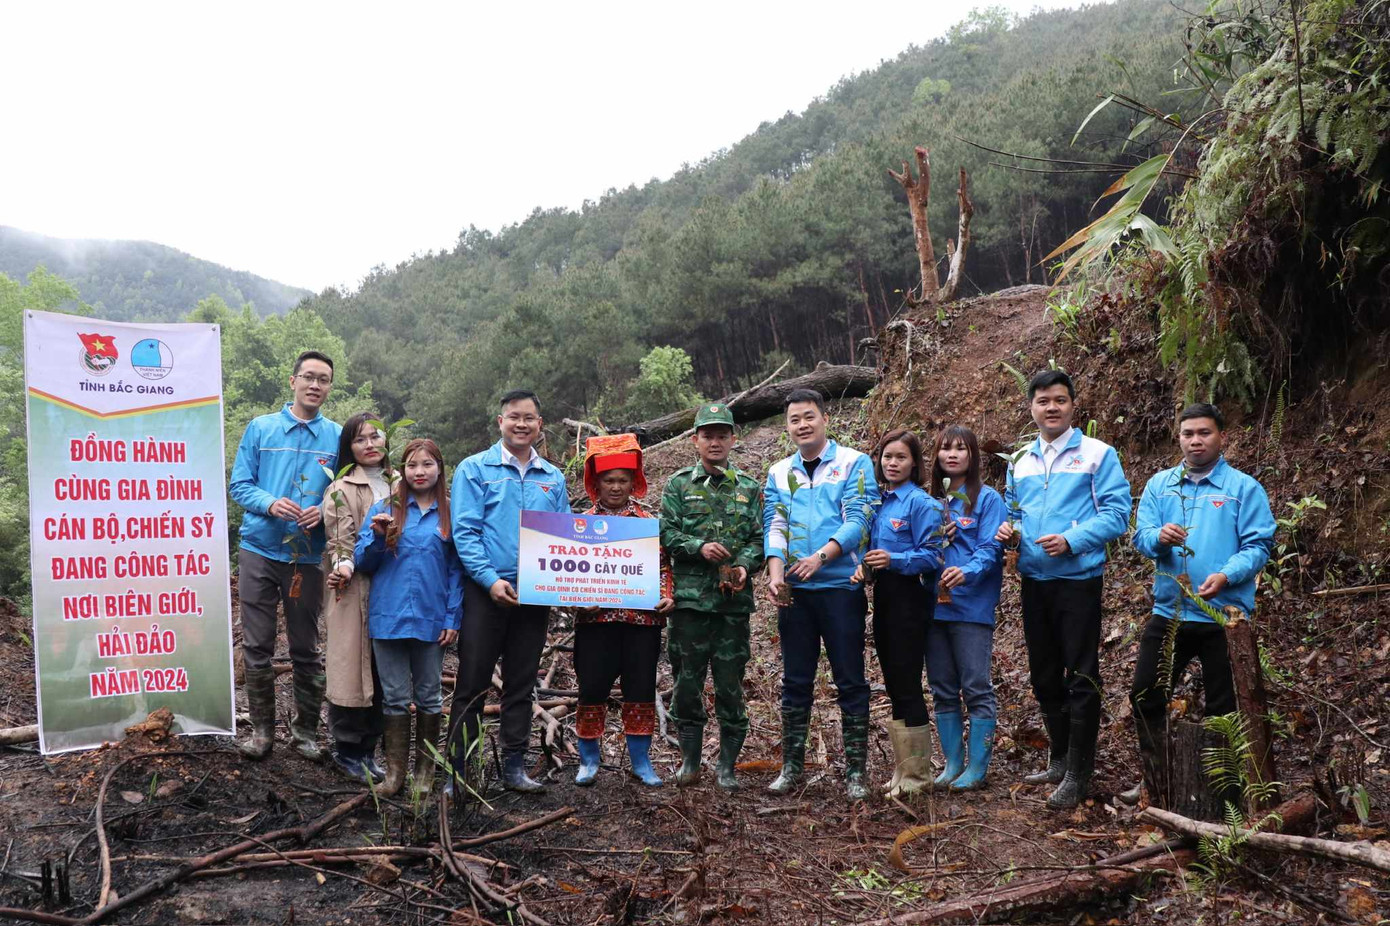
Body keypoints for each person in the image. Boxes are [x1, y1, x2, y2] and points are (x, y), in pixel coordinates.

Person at [995, 370, 1131, 809]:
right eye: (1042, 401)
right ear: (1031, 408)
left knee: (1082, 675)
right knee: (1044, 673)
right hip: (1034, 581)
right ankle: (1058, 758)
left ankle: (1079, 772)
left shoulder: (1098, 454)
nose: (1051, 407)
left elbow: (1117, 515)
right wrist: (1010, 532)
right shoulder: (1020, 460)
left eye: (1059, 400)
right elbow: (1015, 512)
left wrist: (1072, 540)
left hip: (1078, 582)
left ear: (1073, 405)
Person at [1128, 403, 1275, 804]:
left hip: (1224, 617)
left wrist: (1226, 574)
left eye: (1204, 433)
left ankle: (1221, 793)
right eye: (1188, 433)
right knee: (1145, 695)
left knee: (1223, 710)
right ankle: (1157, 781)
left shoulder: (1243, 489)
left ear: (1222, 437)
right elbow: (1140, 536)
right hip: (1170, 613)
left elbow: (1259, 545)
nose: (1196, 441)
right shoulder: (1160, 485)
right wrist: (1159, 537)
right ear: (1179, 438)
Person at [449, 390, 570, 793]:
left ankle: (514, 768)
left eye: (529, 418)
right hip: (486, 593)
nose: (522, 424)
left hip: (534, 593)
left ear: (540, 424)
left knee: (521, 683)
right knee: (471, 683)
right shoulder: (474, 469)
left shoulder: (553, 478)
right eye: (514, 417)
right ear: (500, 422)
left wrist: (568, 586)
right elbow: (465, 533)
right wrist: (489, 580)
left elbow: (564, 537)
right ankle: (459, 772)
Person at [764, 388, 880, 800]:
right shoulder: (779, 472)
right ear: (787, 426)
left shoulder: (853, 462)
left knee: (850, 679)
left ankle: (856, 772)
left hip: (840, 588)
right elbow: (775, 524)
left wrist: (821, 557)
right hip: (796, 593)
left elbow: (860, 519)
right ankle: (791, 767)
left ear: (825, 419)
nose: (803, 425)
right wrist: (776, 575)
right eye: (794, 420)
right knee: (796, 680)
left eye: (809, 416)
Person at [229, 350, 342, 761]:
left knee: (306, 646)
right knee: (257, 643)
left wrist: (325, 510)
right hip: (259, 549)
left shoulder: (337, 438)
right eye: (309, 376)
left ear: (329, 387)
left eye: (323, 379)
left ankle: (305, 734)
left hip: (307, 557)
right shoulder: (261, 428)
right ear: (293, 381)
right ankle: (262, 733)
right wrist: (270, 503)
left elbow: (347, 492)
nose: (315, 385)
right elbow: (239, 485)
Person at [661, 403, 764, 790]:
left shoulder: (748, 488)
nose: (715, 442)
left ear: (734, 439)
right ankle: (690, 762)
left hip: (731, 607)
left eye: (722, 435)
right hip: (689, 604)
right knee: (687, 683)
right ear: (696, 440)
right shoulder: (678, 485)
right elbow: (666, 534)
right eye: (708, 435)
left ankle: (726, 766)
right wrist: (698, 547)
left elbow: (759, 540)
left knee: (730, 685)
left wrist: (745, 566)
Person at [354, 438, 462, 797]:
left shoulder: (451, 512)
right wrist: (377, 538)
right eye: (412, 465)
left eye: (427, 464)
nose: (419, 472)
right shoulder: (385, 508)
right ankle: (395, 774)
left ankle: (425, 773)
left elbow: (456, 570)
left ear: (440, 469)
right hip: (389, 616)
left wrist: (452, 617)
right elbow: (363, 563)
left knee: (430, 696)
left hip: (432, 617)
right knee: (395, 697)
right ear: (402, 470)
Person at [572, 435, 675, 788]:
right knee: (591, 689)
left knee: (641, 690)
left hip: (641, 623)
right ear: (596, 483)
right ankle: (588, 760)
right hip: (595, 622)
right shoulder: (579, 525)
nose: (615, 487)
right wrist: (576, 600)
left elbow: (663, 568)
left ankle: (641, 761)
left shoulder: (648, 522)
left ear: (634, 483)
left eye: (622, 480)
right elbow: (567, 573)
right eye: (608, 480)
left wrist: (666, 596)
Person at [851, 429, 943, 797]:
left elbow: (933, 555)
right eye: (887, 456)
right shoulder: (879, 502)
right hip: (885, 598)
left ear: (915, 463)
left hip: (910, 598)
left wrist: (895, 559)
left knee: (907, 684)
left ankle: (918, 776)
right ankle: (903, 770)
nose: (892, 463)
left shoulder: (921, 503)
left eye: (901, 457)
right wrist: (867, 568)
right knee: (893, 684)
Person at [927, 425, 1005, 791]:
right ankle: (952, 763)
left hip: (971, 606)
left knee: (975, 685)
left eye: (961, 448)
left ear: (973, 456)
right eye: (946, 448)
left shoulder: (987, 500)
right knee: (942, 687)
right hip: (932, 608)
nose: (953, 455)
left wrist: (966, 571)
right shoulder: (930, 501)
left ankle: (977, 768)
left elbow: (991, 549)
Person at [322, 412, 390, 782]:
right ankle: (348, 749)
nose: (369, 445)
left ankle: (370, 749)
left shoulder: (401, 481)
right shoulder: (341, 487)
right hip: (354, 588)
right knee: (352, 666)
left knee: (382, 668)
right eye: (360, 439)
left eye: (375, 436)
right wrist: (343, 566)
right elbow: (340, 541)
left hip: (392, 588)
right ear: (349, 447)